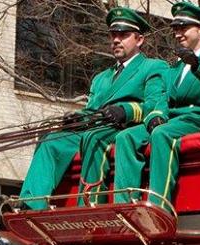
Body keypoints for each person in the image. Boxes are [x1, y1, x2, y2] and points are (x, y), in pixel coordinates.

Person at [18, 7, 167, 209]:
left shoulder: (153, 67)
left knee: (93, 138)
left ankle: (89, 202)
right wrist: (77, 118)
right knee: (51, 140)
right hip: (95, 127)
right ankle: (31, 204)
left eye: (123, 35)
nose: (116, 40)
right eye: (113, 35)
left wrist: (126, 111)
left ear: (139, 40)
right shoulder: (101, 78)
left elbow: (154, 104)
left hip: (124, 129)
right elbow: (92, 110)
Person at [113, 2, 200, 212]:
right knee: (125, 137)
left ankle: (159, 207)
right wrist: (156, 116)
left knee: (162, 135)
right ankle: (125, 206)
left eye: (183, 28)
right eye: (175, 29)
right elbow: (163, 97)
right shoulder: (175, 66)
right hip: (175, 119)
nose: (177, 34)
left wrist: (198, 65)